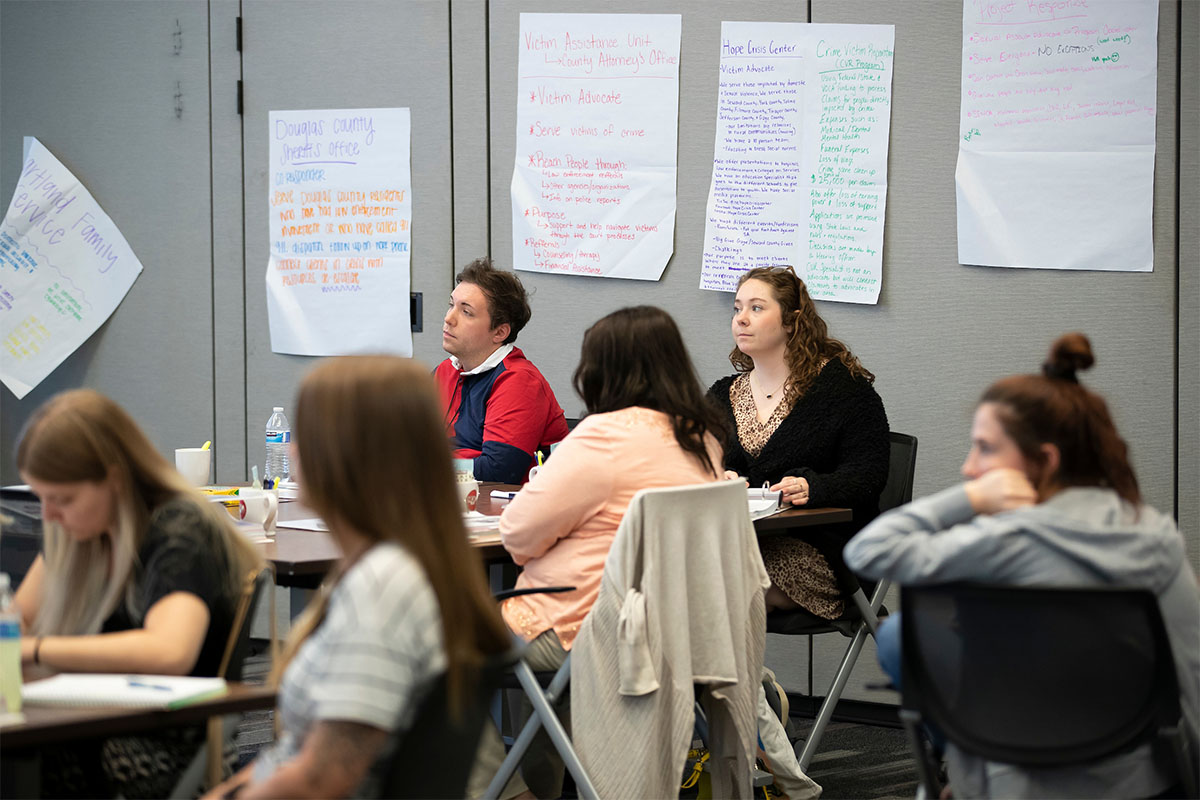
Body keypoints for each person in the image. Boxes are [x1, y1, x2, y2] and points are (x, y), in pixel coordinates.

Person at [845, 333, 1200, 799]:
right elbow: (1189, 671)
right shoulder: (1157, 537)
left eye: (986, 448)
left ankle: (959, 766)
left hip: (1013, 780)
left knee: (897, 635)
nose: (971, 467)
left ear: (1045, 461)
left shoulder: (997, 542)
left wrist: (968, 499)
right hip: (1143, 775)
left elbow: (866, 552)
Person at [207, 356, 512, 799]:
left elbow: (323, 777)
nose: (291, 450)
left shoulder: (383, 589)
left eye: (306, 435)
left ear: (348, 453)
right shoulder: (402, 563)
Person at [469, 306, 725, 799]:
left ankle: (508, 791)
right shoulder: (701, 439)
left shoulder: (600, 437)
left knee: (432, 646)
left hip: (583, 624)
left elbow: (518, 535)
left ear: (603, 371)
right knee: (536, 661)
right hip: (672, 624)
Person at [14, 388, 263, 798]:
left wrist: (36, 649)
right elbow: (16, 620)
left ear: (113, 479)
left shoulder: (179, 531)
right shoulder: (79, 532)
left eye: (62, 499)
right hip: (92, 720)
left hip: (162, 742)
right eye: (41, 498)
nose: (48, 516)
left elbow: (168, 652)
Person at [708, 266, 889, 617]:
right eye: (737, 308)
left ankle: (733, 675)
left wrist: (815, 487)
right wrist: (717, 476)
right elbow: (692, 461)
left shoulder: (843, 389)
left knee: (711, 585)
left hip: (823, 551)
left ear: (792, 321)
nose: (741, 319)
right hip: (738, 542)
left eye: (756, 308)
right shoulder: (723, 393)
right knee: (668, 572)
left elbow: (870, 472)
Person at [435, 257, 570, 484]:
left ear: (499, 333)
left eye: (466, 312)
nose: (448, 319)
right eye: (451, 305)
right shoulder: (445, 371)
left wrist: (427, 465)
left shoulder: (518, 381)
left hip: (515, 509)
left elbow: (498, 470)